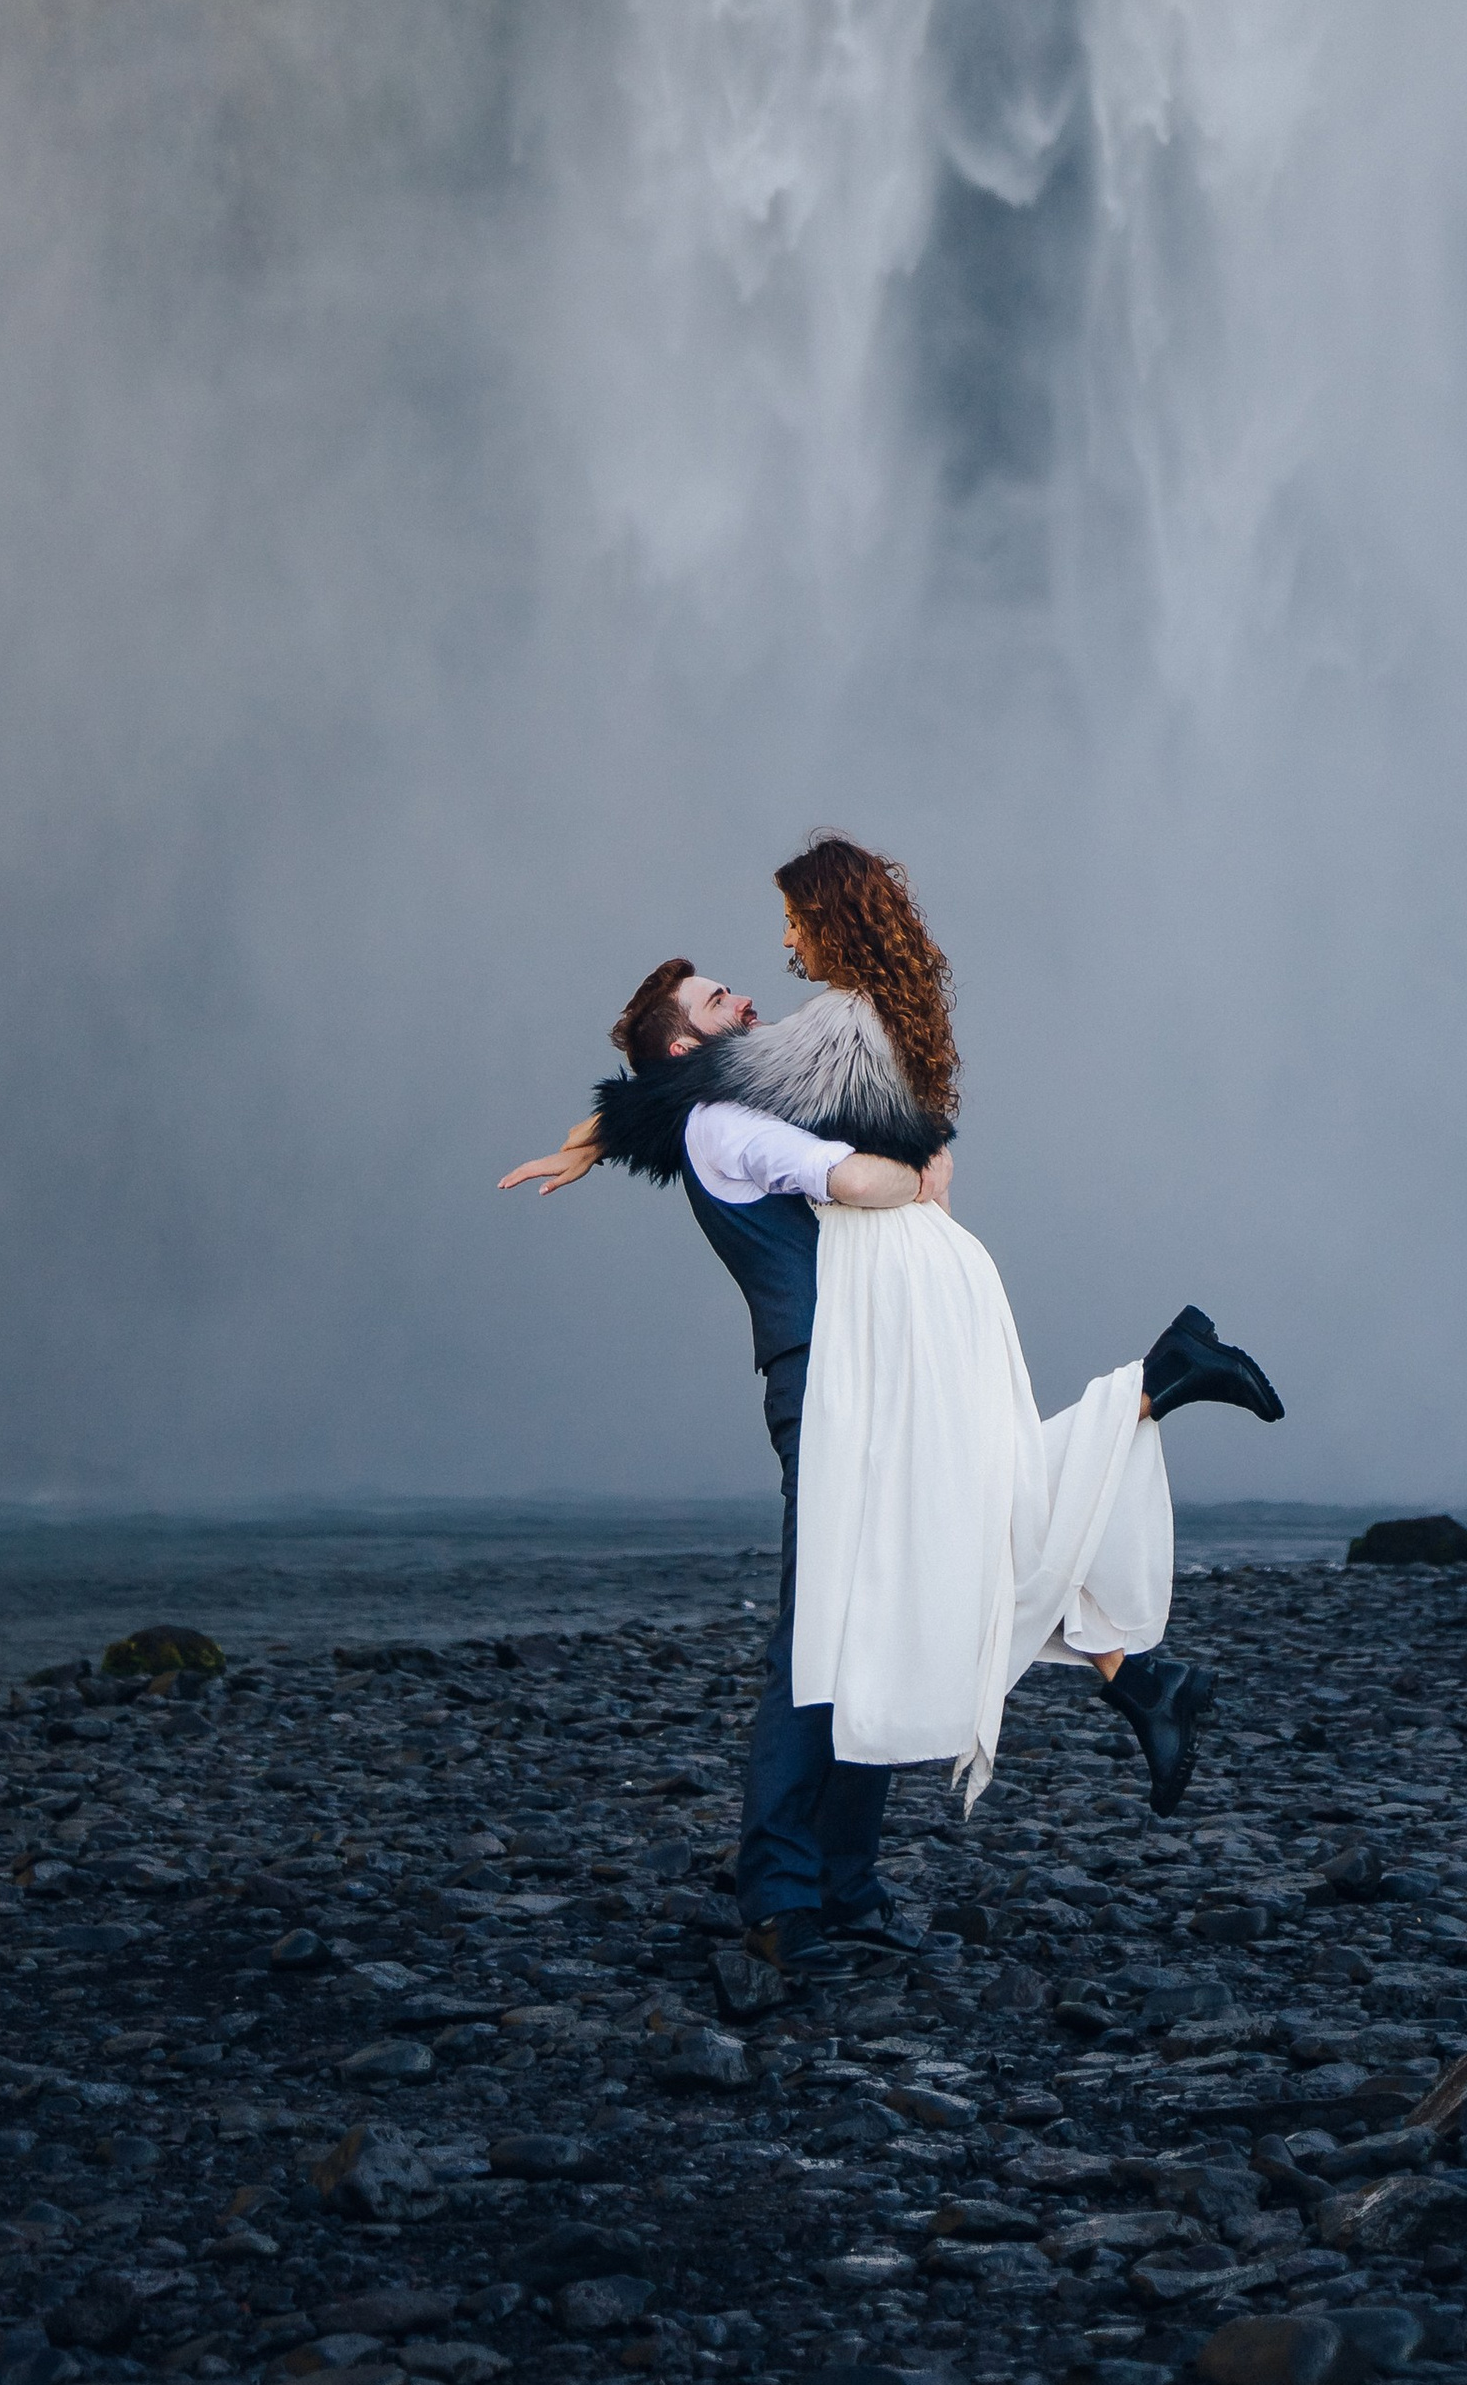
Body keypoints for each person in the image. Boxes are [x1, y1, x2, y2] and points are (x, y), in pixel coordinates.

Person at [498, 834, 1283, 1981]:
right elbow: (828, 1167)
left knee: (886, 1614)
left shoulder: (734, 1087)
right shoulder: (720, 1120)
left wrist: (590, 1139)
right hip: (824, 1380)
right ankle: (784, 1894)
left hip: (878, 1365)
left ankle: (850, 1884)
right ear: (684, 1043)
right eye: (720, 995)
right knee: (816, 1638)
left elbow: (772, 1098)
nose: (752, 985)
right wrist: (910, 1175)